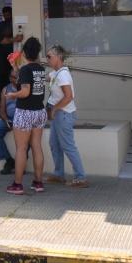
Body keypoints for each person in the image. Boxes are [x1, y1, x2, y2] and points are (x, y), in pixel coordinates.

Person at [5, 37, 47, 195]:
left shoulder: (26, 69)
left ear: (23, 53)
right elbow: (26, 80)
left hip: (24, 113)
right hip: (39, 112)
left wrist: (12, 95)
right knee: (37, 146)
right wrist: (15, 67)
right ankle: (38, 182)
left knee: (21, 148)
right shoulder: (40, 69)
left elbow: (25, 91)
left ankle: (17, 185)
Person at [43, 45, 87, 188]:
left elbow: (69, 97)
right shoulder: (56, 73)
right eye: (46, 56)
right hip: (59, 114)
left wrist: (54, 109)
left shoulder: (62, 75)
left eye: (49, 56)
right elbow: (43, 77)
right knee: (54, 144)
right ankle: (59, 174)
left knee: (68, 146)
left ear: (59, 57)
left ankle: (81, 178)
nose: (47, 59)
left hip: (63, 114)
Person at [0, 68, 20, 175]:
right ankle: (8, 160)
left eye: (19, 77)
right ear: (10, 79)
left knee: (27, 137)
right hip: (9, 119)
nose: (17, 79)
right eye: (15, 77)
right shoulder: (5, 90)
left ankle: (21, 164)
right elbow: (2, 109)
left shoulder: (25, 88)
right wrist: (6, 119)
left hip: (22, 120)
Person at [0, 7, 23, 91]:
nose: (6, 17)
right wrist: (4, 33)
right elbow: (0, 39)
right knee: (2, 73)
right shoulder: (0, 24)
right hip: (2, 53)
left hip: (13, 52)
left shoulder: (14, 24)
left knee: (12, 71)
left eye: (7, 15)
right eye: (4, 15)